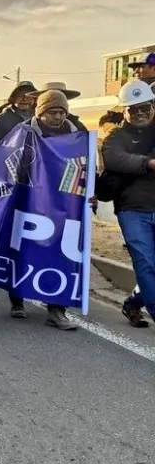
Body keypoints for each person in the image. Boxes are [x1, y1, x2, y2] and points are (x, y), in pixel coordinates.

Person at [8, 89, 80, 329]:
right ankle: (17, 298)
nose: (58, 117)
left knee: (60, 254)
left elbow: (85, 167)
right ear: (40, 112)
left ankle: (56, 310)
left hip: (62, 204)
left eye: (61, 112)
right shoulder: (23, 133)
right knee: (22, 250)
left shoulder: (76, 136)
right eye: (52, 112)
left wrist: (90, 191)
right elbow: (8, 163)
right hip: (26, 200)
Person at [101, 79, 155, 329]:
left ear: (153, 106)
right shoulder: (116, 137)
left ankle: (133, 303)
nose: (140, 113)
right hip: (132, 210)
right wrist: (147, 163)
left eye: (144, 107)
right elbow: (115, 159)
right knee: (146, 263)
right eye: (133, 109)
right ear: (125, 111)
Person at [0, 81, 37, 150]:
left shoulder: (41, 118)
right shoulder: (1, 119)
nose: (25, 99)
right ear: (13, 98)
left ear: (35, 99)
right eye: (20, 95)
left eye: (29, 96)